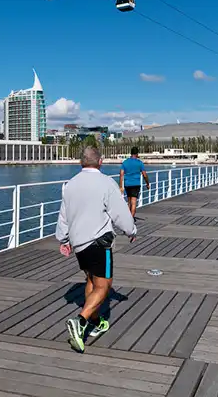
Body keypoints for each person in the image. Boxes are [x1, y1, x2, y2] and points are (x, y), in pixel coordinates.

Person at [56, 146, 137, 353]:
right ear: (100, 162)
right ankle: (80, 321)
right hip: (99, 243)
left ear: (81, 162)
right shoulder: (105, 183)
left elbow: (63, 216)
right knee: (104, 286)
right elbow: (119, 211)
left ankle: (96, 321)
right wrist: (130, 229)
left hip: (79, 244)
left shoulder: (70, 185)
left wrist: (63, 239)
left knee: (91, 280)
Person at [120, 147, 150, 218]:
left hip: (127, 184)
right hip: (136, 184)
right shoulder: (139, 163)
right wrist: (147, 183)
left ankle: (127, 218)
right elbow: (144, 175)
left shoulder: (125, 162)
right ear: (137, 154)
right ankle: (131, 219)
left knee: (129, 202)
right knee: (133, 203)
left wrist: (121, 186)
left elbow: (121, 174)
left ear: (131, 153)